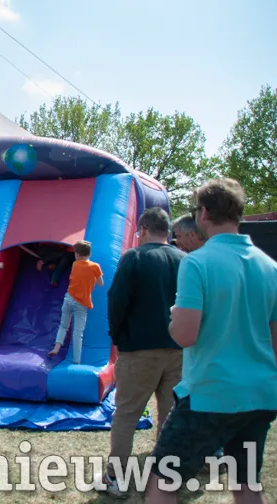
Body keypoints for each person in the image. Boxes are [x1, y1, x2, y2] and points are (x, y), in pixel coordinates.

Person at [146, 179, 277, 504]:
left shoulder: (197, 262)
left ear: (203, 213)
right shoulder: (270, 266)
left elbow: (185, 335)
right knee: (246, 483)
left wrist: (176, 315)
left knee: (162, 481)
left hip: (210, 394)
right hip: (259, 395)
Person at [102, 208, 185, 498]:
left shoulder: (134, 258)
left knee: (126, 414)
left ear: (144, 230)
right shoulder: (184, 260)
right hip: (178, 350)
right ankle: (166, 474)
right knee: (170, 414)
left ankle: (116, 478)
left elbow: (116, 301)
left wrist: (118, 337)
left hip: (139, 349)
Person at [48, 240, 103, 364]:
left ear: (77, 254)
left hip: (68, 298)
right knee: (78, 332)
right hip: (81, 303)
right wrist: (93, 277)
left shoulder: (75, 265)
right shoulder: (95, 267)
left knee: (63, 326)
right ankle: (76, 360)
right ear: (90, 253)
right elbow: (100, 283)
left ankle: (56, 347)